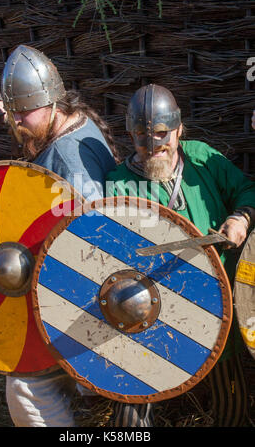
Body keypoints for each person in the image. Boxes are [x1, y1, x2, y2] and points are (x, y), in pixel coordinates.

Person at [0, 44, 117, 427]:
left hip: (86, 299)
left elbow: (91, 247)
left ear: (51, 103)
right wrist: (3, 109)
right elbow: (28, 113)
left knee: (25, 383)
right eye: (13, 112)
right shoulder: (74, 118)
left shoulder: (73, 167)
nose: (17, 123)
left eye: (23, 113)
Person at [105, 83, 255, 427]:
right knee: (134, 397)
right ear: (131, 135)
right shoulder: (119, 185)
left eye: (162, 134)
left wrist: (241, 217)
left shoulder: (201, 158)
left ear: (179, 129)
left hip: (218, 302)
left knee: (229, 399)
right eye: (143, 136)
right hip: (151, 307)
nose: (154, 145)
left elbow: (248, 189)